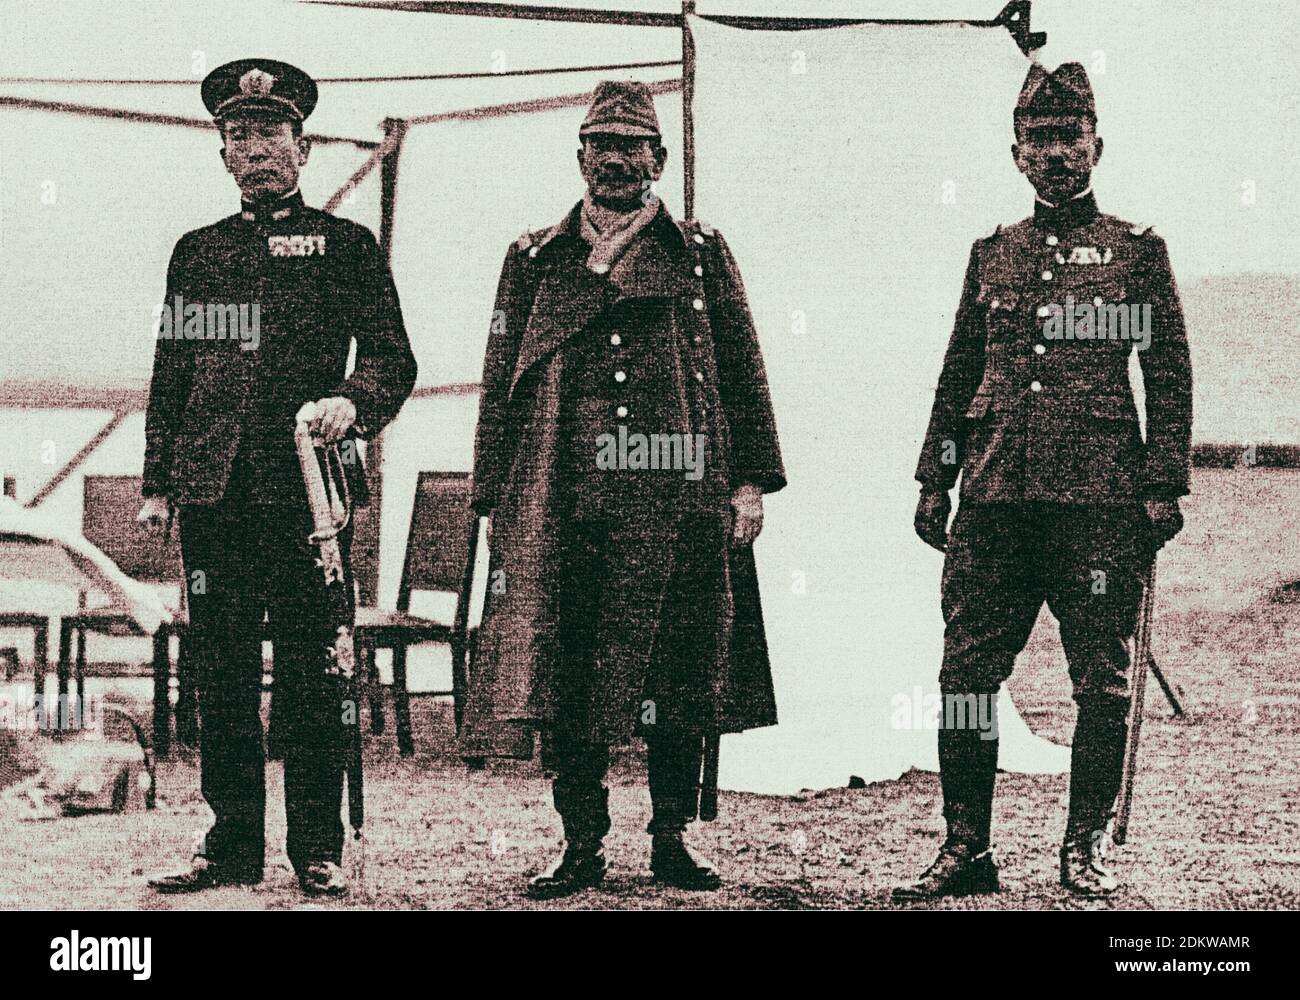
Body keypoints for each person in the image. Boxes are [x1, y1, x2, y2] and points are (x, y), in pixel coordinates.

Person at [464, 80, 786, 899]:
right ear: (580, 158)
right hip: (563, 496)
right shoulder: (534, 257)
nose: (617, 160)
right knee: (565, 676)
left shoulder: (701, 253)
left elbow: (743, 373)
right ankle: (581, 842)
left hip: (675, 499)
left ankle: (672, 837)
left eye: (633, 146)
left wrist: (748, 483)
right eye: (601, 145)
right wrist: (495, 497)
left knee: (680, 668)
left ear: (659, 160)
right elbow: (501, 377)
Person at [900, 62, 1192, 900]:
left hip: (1099, 503)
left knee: (1099, 678)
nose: (1056, 153)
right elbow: (960, 374)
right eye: (1040, 139)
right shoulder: (993, 253)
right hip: (993, 500)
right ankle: (966, 847)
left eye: (1070, 137)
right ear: (1017, 153)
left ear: (1097, 145)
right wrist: (934, 476)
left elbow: (1167, 372)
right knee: (964, 677)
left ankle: (1087, 844)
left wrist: (1162, 481)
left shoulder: (1135, 253)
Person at [138, 58, 416, 896]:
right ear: (224, 153)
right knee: (219, 673)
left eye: (271, 133)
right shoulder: (198, 253)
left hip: (310, 497)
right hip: (215, 496)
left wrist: (351, 403)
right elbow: (172, 373)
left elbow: (394, 360)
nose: (257, 147)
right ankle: (228, 845)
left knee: (316, 672)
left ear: (303, 146)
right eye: (240, 135)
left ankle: (317, 849)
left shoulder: (346, 248)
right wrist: (158, 483)